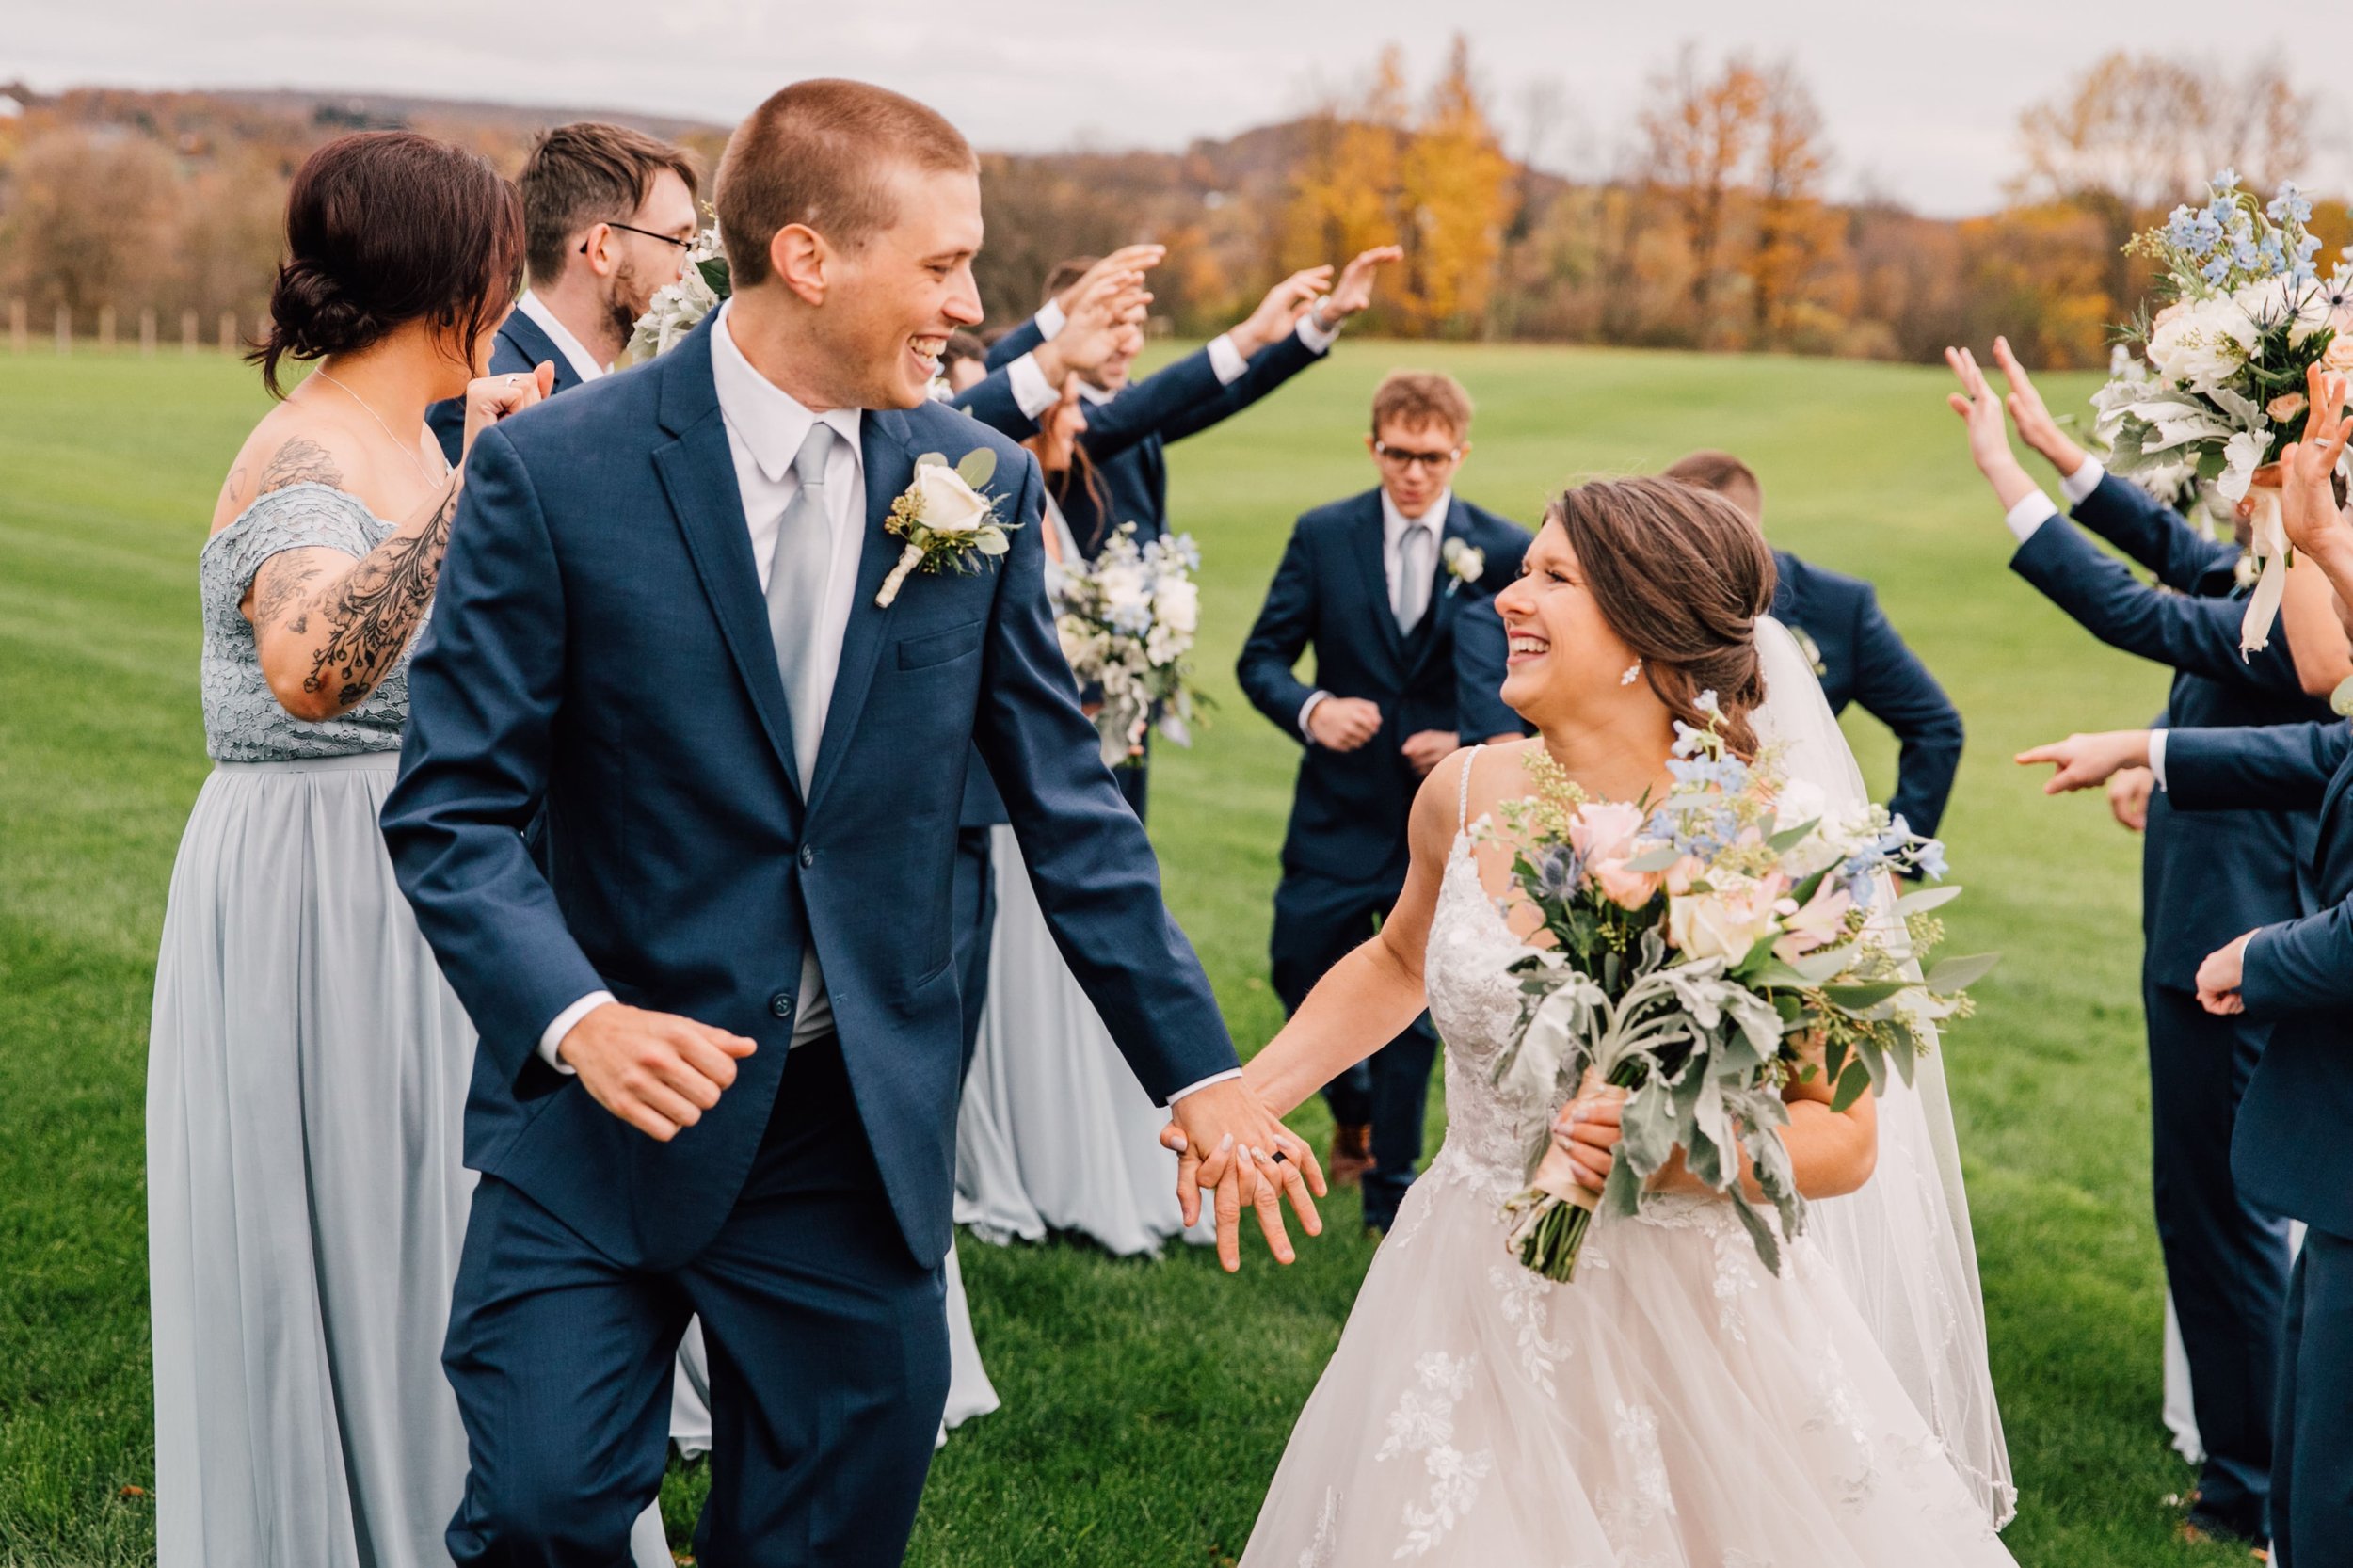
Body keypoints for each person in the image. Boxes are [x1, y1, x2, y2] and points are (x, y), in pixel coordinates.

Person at [379, 79, 1322, 1568]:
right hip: (608, 1114)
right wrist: (577, 1019)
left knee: (825, 1538)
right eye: (944, 264)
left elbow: (1072, 813)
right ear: (809, 257)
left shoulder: (979, 484)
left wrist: (1200, 1072)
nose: (972, 302)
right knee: (547, 1510)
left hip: (850, 1126)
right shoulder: (553, 472)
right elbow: (452, 808)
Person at [1217, 476, 2015, 1563]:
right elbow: (1400, 958)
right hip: (1466, 1274)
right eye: (1519, 570)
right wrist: (1241, 1097)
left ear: (1645, 628)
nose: (1508, 596)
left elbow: (1844, 1136)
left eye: (1553, 578)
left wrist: (1692, 1151)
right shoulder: (1463, 790)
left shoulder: (1785, 846)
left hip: (1690, 1320)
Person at [146, 131, 548, 1568]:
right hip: (320, 878)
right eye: (501, 261)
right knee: (351, 1225)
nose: (513, 287)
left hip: (411, 864)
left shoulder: (411, 428)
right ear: (450, 275)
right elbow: (315, 660)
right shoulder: (309, 444)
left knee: (426, 1222)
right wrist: (478, 478)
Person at [1949, 340, 2348, 1549]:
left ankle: (2248, 1485)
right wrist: (2061, 454)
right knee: (2208, 1209)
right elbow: (2185, 562)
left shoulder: (2315, 612)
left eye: (2243, 454)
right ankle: (2257, 1474)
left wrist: (2002, 482)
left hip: (2244, 925)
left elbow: (2148, 609)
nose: (2226, 485)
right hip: (2204, 910)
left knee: (2226, 1212)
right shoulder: (2283, 563)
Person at [960, 242, 1402, 821]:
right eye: (1114, 325)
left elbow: (1222, 393)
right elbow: (1157, 401)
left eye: (1137, 326)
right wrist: (1245, 334)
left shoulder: (1122, 404)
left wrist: (1317, 324)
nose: (1129, 343)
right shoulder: (1051, 429)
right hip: (1073, 678)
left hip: (1128, 671)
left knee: (1123, 831)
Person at [1235, 370, 1529, 1228]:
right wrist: (1313, 708)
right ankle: (1350, 1111)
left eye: (1431, 457)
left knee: (1419, 1000)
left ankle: (1390, 1189)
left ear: (1459, 454)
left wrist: (1468, 744)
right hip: (1336, 807)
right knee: (1298, 959)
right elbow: (1260, 658)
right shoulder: (1324, 536)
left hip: (1439, 819)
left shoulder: (1503, 547)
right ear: (1374, 447)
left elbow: (1527, 676)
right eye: (1398, 454)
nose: (1413, 473)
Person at [955, 381, 1210, 1255]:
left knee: (1084, 962)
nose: (1077, 427)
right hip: (1005, 796)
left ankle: (1079, 1150)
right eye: (1059, 409)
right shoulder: (984, 501)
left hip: (1067, 777)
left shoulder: (1053, 508)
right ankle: (1026, 1156)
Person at [1662, 448, 1964, 839]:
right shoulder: (1653, 605)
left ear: (1744, 528)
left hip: (1795, 842)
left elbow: (1935, 726)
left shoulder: (1839, 607)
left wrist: (1896, 857)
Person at [426, 121, 701, 463]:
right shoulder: (486, 394)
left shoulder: (626, 391)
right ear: (602, 249)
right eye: (678, 241)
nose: (690, 267)